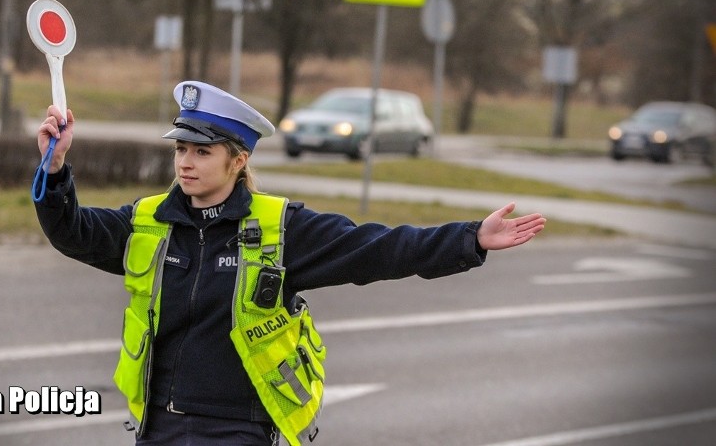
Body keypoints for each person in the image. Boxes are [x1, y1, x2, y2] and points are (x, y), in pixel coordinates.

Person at [34, 81, 546, 446]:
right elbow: (73, 233)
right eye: (181, 149)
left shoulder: (282, 229)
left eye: (202, 152)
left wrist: (470, 238)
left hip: (239, 430)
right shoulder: (149, 222)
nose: (186, 162)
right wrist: (55, 169)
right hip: (159, 428)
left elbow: (379, 248)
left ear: (238, 161)